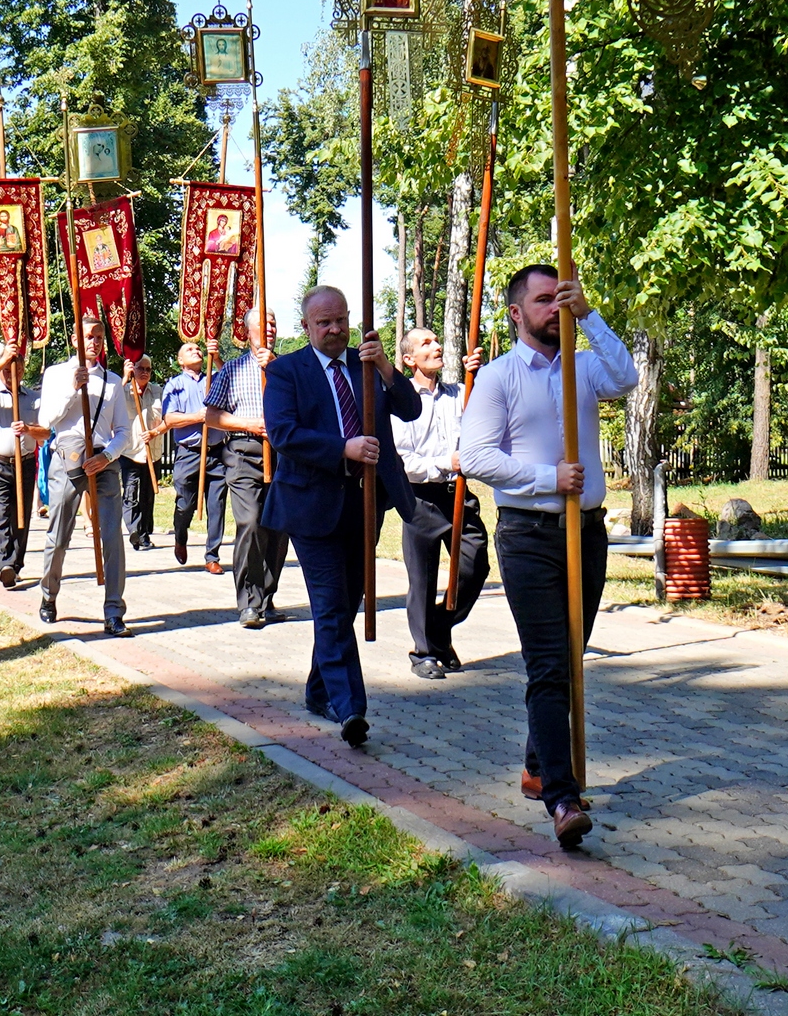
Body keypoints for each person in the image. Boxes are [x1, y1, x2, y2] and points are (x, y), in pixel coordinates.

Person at [459, 266, 639, 849]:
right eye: (544, 301)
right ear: (516, 314)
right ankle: (562, 797)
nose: (553, 309)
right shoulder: (498, 378)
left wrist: (589, 313)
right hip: (529, 534)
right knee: (548, 663)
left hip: (587, 532)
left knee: (570, 659)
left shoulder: (585, 367)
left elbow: (627, 376)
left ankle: (538, 763)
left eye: (560, 299)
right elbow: (476, 457)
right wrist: (546, 478)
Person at [263, 286, 421, 747]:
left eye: (340, 321)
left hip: (364, 503)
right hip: (311, 506)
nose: (334, 330)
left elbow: (409, 410)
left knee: (346, 603)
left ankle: (318, 688)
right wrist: (342, 448)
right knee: (331, 606)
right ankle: (350, 707)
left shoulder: (366, 363)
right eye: (323, 323)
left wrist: (387, 367)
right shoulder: (287, 371)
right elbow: (284, 433)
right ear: (307, 326)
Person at [394, 327, 488, 680]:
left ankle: (438, 629)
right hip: (419, 500)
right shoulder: (402, 402)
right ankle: (423, 653)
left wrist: (479, 373)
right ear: (409, 359)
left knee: (475, 566)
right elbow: (404, 459)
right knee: (423, 579)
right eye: (426, 344)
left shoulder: (461, 393)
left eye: (436, 342)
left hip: (459, 497)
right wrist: (447, 462)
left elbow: (488, 414)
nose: (436, 348)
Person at [37, 314, 131, 636]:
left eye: (99, 336)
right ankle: (49, 595)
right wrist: (73, 391)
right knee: (59, 534)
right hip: (68, 460)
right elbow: (47, 418)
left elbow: (123, 431)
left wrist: (107, 457)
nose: (94, 341)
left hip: (102, 462)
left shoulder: (113, 382)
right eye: (89, 336)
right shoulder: (56, 374)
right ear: (76, 339)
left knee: (112, 538)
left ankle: (114, 611)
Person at [204, 311, 287, 627]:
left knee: (279, 529)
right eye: (263, 324)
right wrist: (250, 424)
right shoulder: (233, 370)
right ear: (247, 331)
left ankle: (267, 596)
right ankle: (249, 603)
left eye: (274, 324)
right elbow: (212, 416)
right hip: (243, 453)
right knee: (250, 523)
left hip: (282, 455)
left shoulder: (288, 370)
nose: (269, 329)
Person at [0, 342, 47, 589]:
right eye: (6, 370)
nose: (10, 373)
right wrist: (4, 359)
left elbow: (46, 432)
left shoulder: (34, 398)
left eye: (15, 368)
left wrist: (29, 429)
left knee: (20, 517)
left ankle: (15, 564)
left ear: (24, 369)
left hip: (23, 463)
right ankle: (4, 564)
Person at [160, 340, 228, 572]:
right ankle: (180, 536)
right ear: (180, 360)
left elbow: (230, 376)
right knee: (185, 504)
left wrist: (216, 357)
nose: (196, 350)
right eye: (189, 350)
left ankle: (212, 555)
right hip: (189, 453)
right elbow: (170, 420)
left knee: (217, 504)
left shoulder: (216, 378)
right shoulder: (175, 385)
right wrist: (199, 416)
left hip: (216, 451)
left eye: (198, 348)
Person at [120, 353, 163, 551]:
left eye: (148, 369)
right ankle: (133, 530)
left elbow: (167, 418)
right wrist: (125, 379)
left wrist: (156, 431)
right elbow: (110, 406)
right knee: (131, 492)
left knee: (147, 495)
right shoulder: (123, 391)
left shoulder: (158, 392)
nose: (144, 372)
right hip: (131, 451)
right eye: (140, 369)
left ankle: (145, 534)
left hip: (152, 452)